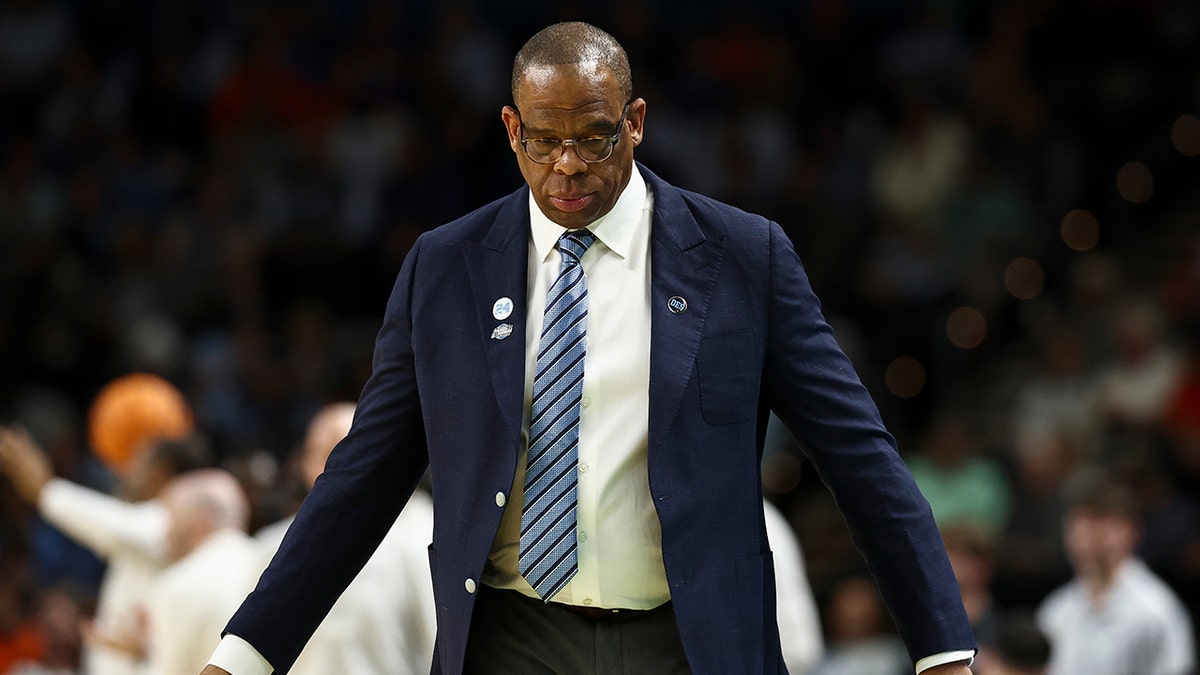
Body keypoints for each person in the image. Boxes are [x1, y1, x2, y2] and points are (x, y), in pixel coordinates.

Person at [204, 21, 974, 675]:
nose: (567, 163)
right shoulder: (443, 267)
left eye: (594, 137)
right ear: (512, 129)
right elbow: (362, 478)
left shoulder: (744, 256)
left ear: (635, 121)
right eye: (543, 140)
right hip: (509, 638)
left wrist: (942, 649)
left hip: (689, 641)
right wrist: (245, 654)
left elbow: (860, 457)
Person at [0, 380, 206, 675]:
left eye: (132, 459)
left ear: (160, 466)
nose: (118, 471)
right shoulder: (140, 521)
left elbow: (130, 531)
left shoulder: (174, 520)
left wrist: (46, 492)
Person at [253, 402, 436, 674]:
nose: (334, 466)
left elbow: (442, 641)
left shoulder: (424, 531)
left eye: (344, 450)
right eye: (321, 453)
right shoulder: (271, 545)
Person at [1036, 472, 1195, 675]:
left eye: (1097, 523)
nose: (1085, 537)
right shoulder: (1056, 610)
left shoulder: (1155, 610)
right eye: (1076, 524)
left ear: (1131, 531)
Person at [142, 469, 260, 675]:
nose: (164, 535)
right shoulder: (266, 565)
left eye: (171, 520)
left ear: (196, 522)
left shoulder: (176, 586)